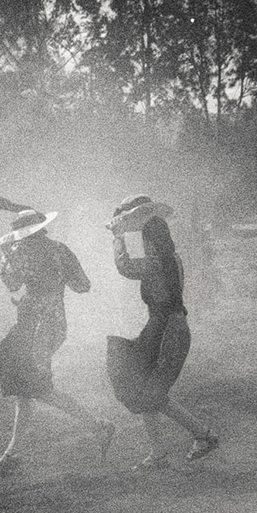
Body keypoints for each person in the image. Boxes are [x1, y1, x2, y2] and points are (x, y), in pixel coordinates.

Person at [0, 202, 115, 475]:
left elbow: (11, 283)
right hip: (51, 322)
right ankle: (13, 453)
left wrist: (6, 257)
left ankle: (98, 426)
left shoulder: (21, 252)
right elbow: (83, 286)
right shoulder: (59, 250)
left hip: (35, 324)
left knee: (36, 387)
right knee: (27, 388)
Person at [104, 195, 220, 470]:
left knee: (148, 391)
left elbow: (126, 267)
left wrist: (118, 238)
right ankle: (171, 448)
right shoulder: (169, 258)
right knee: (145, 388)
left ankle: (199, 437)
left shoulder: (157, 260)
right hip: (165, 325)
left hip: (168, 327)